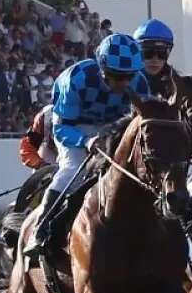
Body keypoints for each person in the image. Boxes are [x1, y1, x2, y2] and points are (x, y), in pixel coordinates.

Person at [22, 34, 148, 260]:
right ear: (102, 69)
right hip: (74, 126)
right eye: (117, 76)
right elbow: (61, 129)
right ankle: (41, 229)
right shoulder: (77, 79)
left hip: (113, 126)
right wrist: (86, 141)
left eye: (129, 76)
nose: (124, 83)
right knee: (72, 168)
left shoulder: (139, 83)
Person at [133, 19, 181, 100]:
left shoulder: (177, 85)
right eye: (148, 53)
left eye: (161, 54)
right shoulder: (124, 84)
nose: (155, 59)